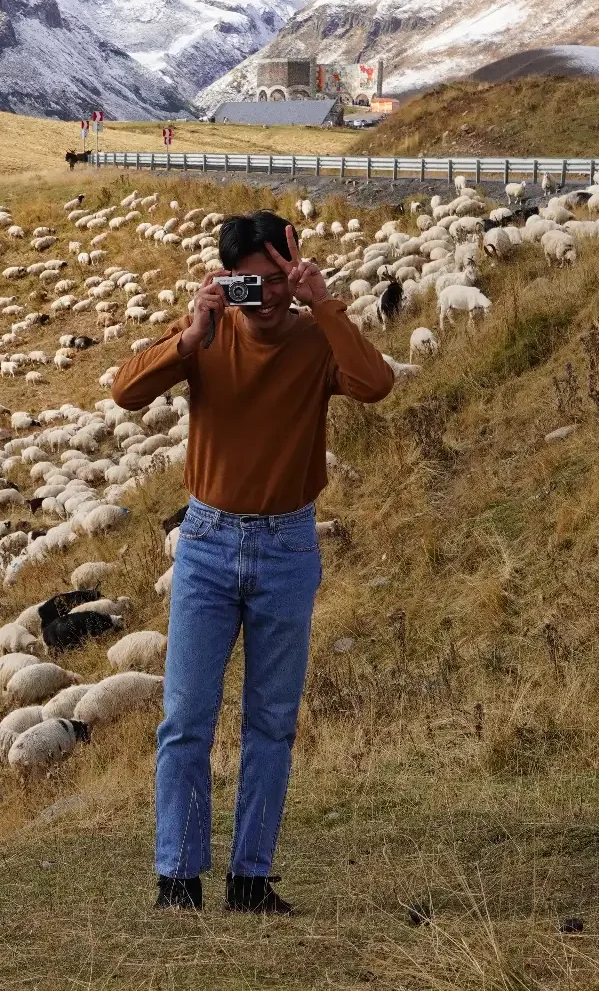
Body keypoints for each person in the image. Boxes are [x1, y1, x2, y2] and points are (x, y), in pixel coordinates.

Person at [110, 209, 394, 915]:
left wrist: (324, 306)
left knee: (271, 720)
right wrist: (189, 335)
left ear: (293, 277)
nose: (262, 297)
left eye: (275, 281)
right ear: (223, 281)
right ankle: (177, 878)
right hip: (206, 544)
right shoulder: (205, 339)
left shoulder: (312, 339)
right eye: (246, 284)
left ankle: (250, 878)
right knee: (185, 717)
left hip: (289, 546)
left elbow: (375, 383)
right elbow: (124, 391)